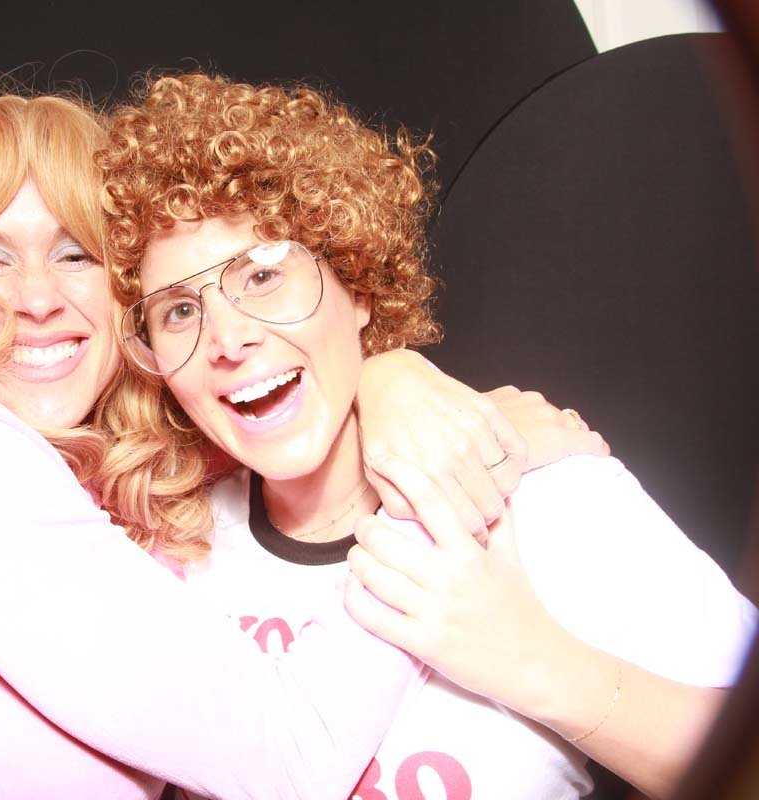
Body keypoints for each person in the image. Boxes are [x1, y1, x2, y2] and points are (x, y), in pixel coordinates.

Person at [0, 90, 600, 799]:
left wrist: (397, 379)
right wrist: (451, 468)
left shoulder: (133, 493)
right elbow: (292, 763)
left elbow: (288, 408)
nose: (37, 298)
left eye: (75, 254)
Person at [98, 73, 757, 799]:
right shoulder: (171, 545)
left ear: (356, 286)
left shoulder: (544, 498)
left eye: (261, 276)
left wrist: (542, 667)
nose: (228, 339)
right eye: (179, 311)